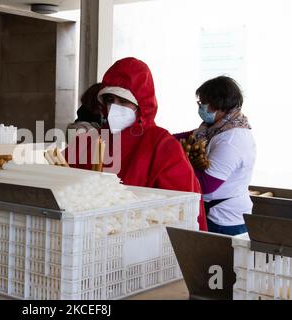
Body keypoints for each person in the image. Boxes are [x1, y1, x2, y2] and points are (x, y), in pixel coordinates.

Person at [65, 57, 207, 231]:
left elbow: (184, 206)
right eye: (110, 100)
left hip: (144, 242)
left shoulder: (161, 144)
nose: (114, 108)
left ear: (142, 105)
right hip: (89, 239)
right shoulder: (89, 141)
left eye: (123, 102)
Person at [175, 76, 256, 236]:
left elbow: (206, 185)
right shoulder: (216, 129)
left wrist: (177, 163)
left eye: (203, 103)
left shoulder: (231, 140)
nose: (200, 107)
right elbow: (188, 136)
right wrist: (159, 138)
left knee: (218, 261)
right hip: (217, 213)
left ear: (218, 104)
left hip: (224, 220)